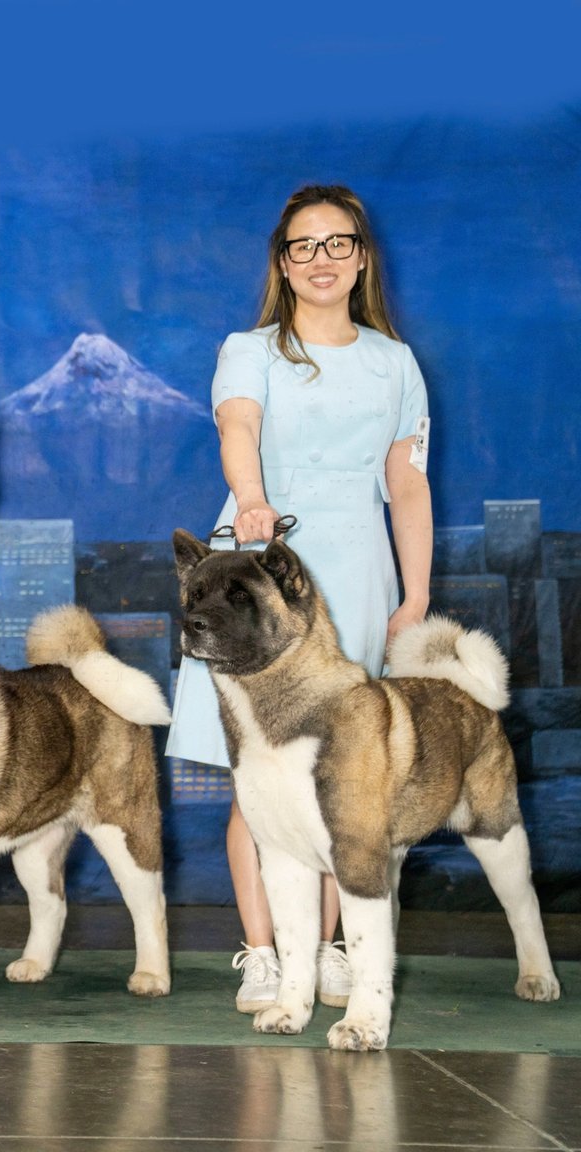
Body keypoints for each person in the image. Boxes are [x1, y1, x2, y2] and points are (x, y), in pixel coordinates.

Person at [166, 184, 433, 1014]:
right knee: (260, 775)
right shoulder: (250, 349)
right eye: (303, 245)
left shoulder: (395, 363)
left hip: (355, 571)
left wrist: (416, 595)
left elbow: (408, 485)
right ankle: (265, 954)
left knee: (346, 776)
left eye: (337, 242)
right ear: (283, 264)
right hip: (256, 570)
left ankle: (327, 951)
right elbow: (238, 428)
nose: (322, 259)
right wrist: (252, 500)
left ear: (361, 258)